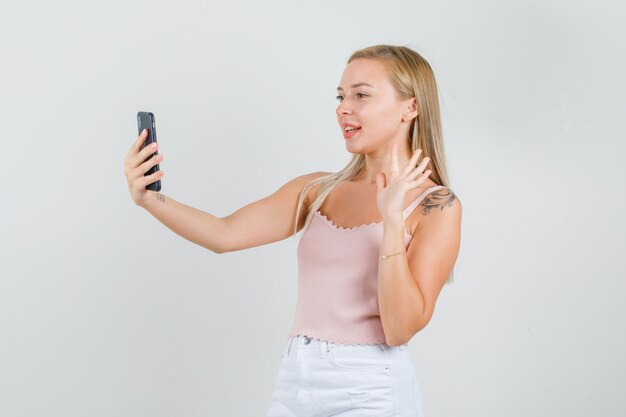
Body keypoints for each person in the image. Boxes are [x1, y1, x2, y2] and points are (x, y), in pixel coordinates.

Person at [123, 44, 461, 417]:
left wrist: (393, 222)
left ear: (410, 108)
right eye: (340, 96)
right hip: (296, 379)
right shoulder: (317, 189)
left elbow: (400, 329)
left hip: (371, 387)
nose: (343, 108)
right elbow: (225, 234)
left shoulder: (437, 206)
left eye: (361, 95)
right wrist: (150, 201)